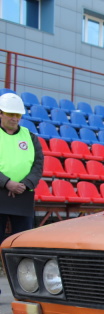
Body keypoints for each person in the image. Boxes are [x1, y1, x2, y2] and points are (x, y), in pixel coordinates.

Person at [0, 92, 43, 245]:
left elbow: (38, 164)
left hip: (23, 195)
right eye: (10, 114)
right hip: (0, 191)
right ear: (1, 113)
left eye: (18, 115)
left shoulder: (30, 136)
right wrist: (6, 183)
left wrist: (25, 184)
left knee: (22, 239)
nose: (15, 118)